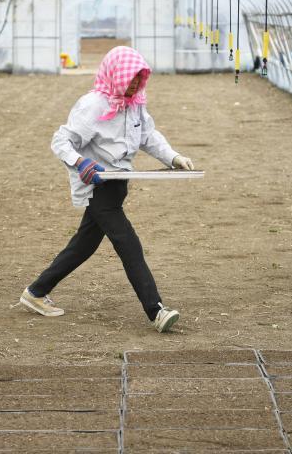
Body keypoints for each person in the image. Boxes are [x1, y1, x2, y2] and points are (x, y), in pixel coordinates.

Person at [19, 46, 194, 333]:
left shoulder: (135, 105)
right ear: (116, 74)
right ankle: (156, 310)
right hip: (98, 189)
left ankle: (36, 292)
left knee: (83, 246)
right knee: (129, 244)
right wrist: (81, 162)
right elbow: (61, 141)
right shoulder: (93, 105)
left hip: (117, 186)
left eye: (139, 78)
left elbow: (149, 136)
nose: (135, 84)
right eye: (130, 78)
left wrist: (174, 158)